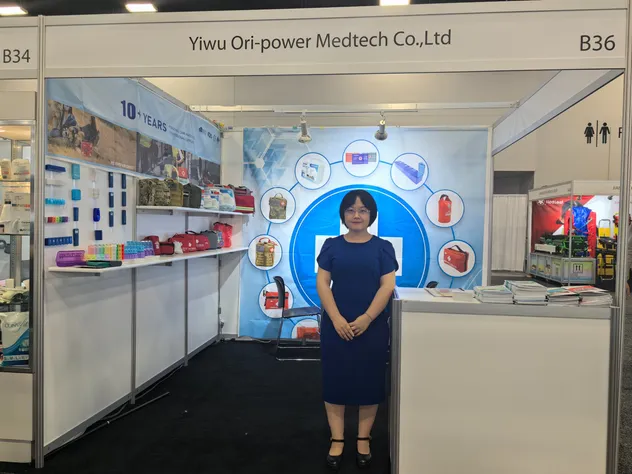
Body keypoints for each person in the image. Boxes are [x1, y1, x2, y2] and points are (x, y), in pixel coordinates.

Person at [316, 189, 398, 471]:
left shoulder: (383, 247)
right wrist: (336, 318)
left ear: (371, 215)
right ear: (343, 215)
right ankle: (337, 438)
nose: (356, 215)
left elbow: (387, 286)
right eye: (351, 210)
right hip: (336, 325)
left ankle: (363, 438)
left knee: (369, 382)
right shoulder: (332, 246)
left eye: (363, 210)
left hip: (372, 327)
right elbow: (322, 284)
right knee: (335, 380)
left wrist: (367, 318)